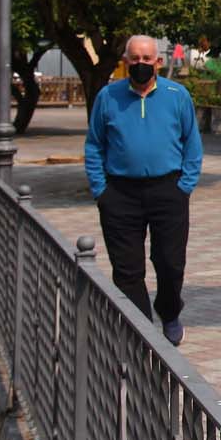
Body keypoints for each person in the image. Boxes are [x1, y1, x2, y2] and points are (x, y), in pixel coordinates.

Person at [84, 35, 202, 346]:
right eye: (134, 59)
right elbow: (94, 145)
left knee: (170, 261)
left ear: (158, 62)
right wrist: (101, 190)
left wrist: (184, 186)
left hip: (168, 190)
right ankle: (140, 331)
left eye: (146, 59)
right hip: (120, 193)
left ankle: (170, 310)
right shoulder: (108, 97)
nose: (140, 65)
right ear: (125, 61)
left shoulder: (177, 96)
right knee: (126, 269)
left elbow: (192, 144)